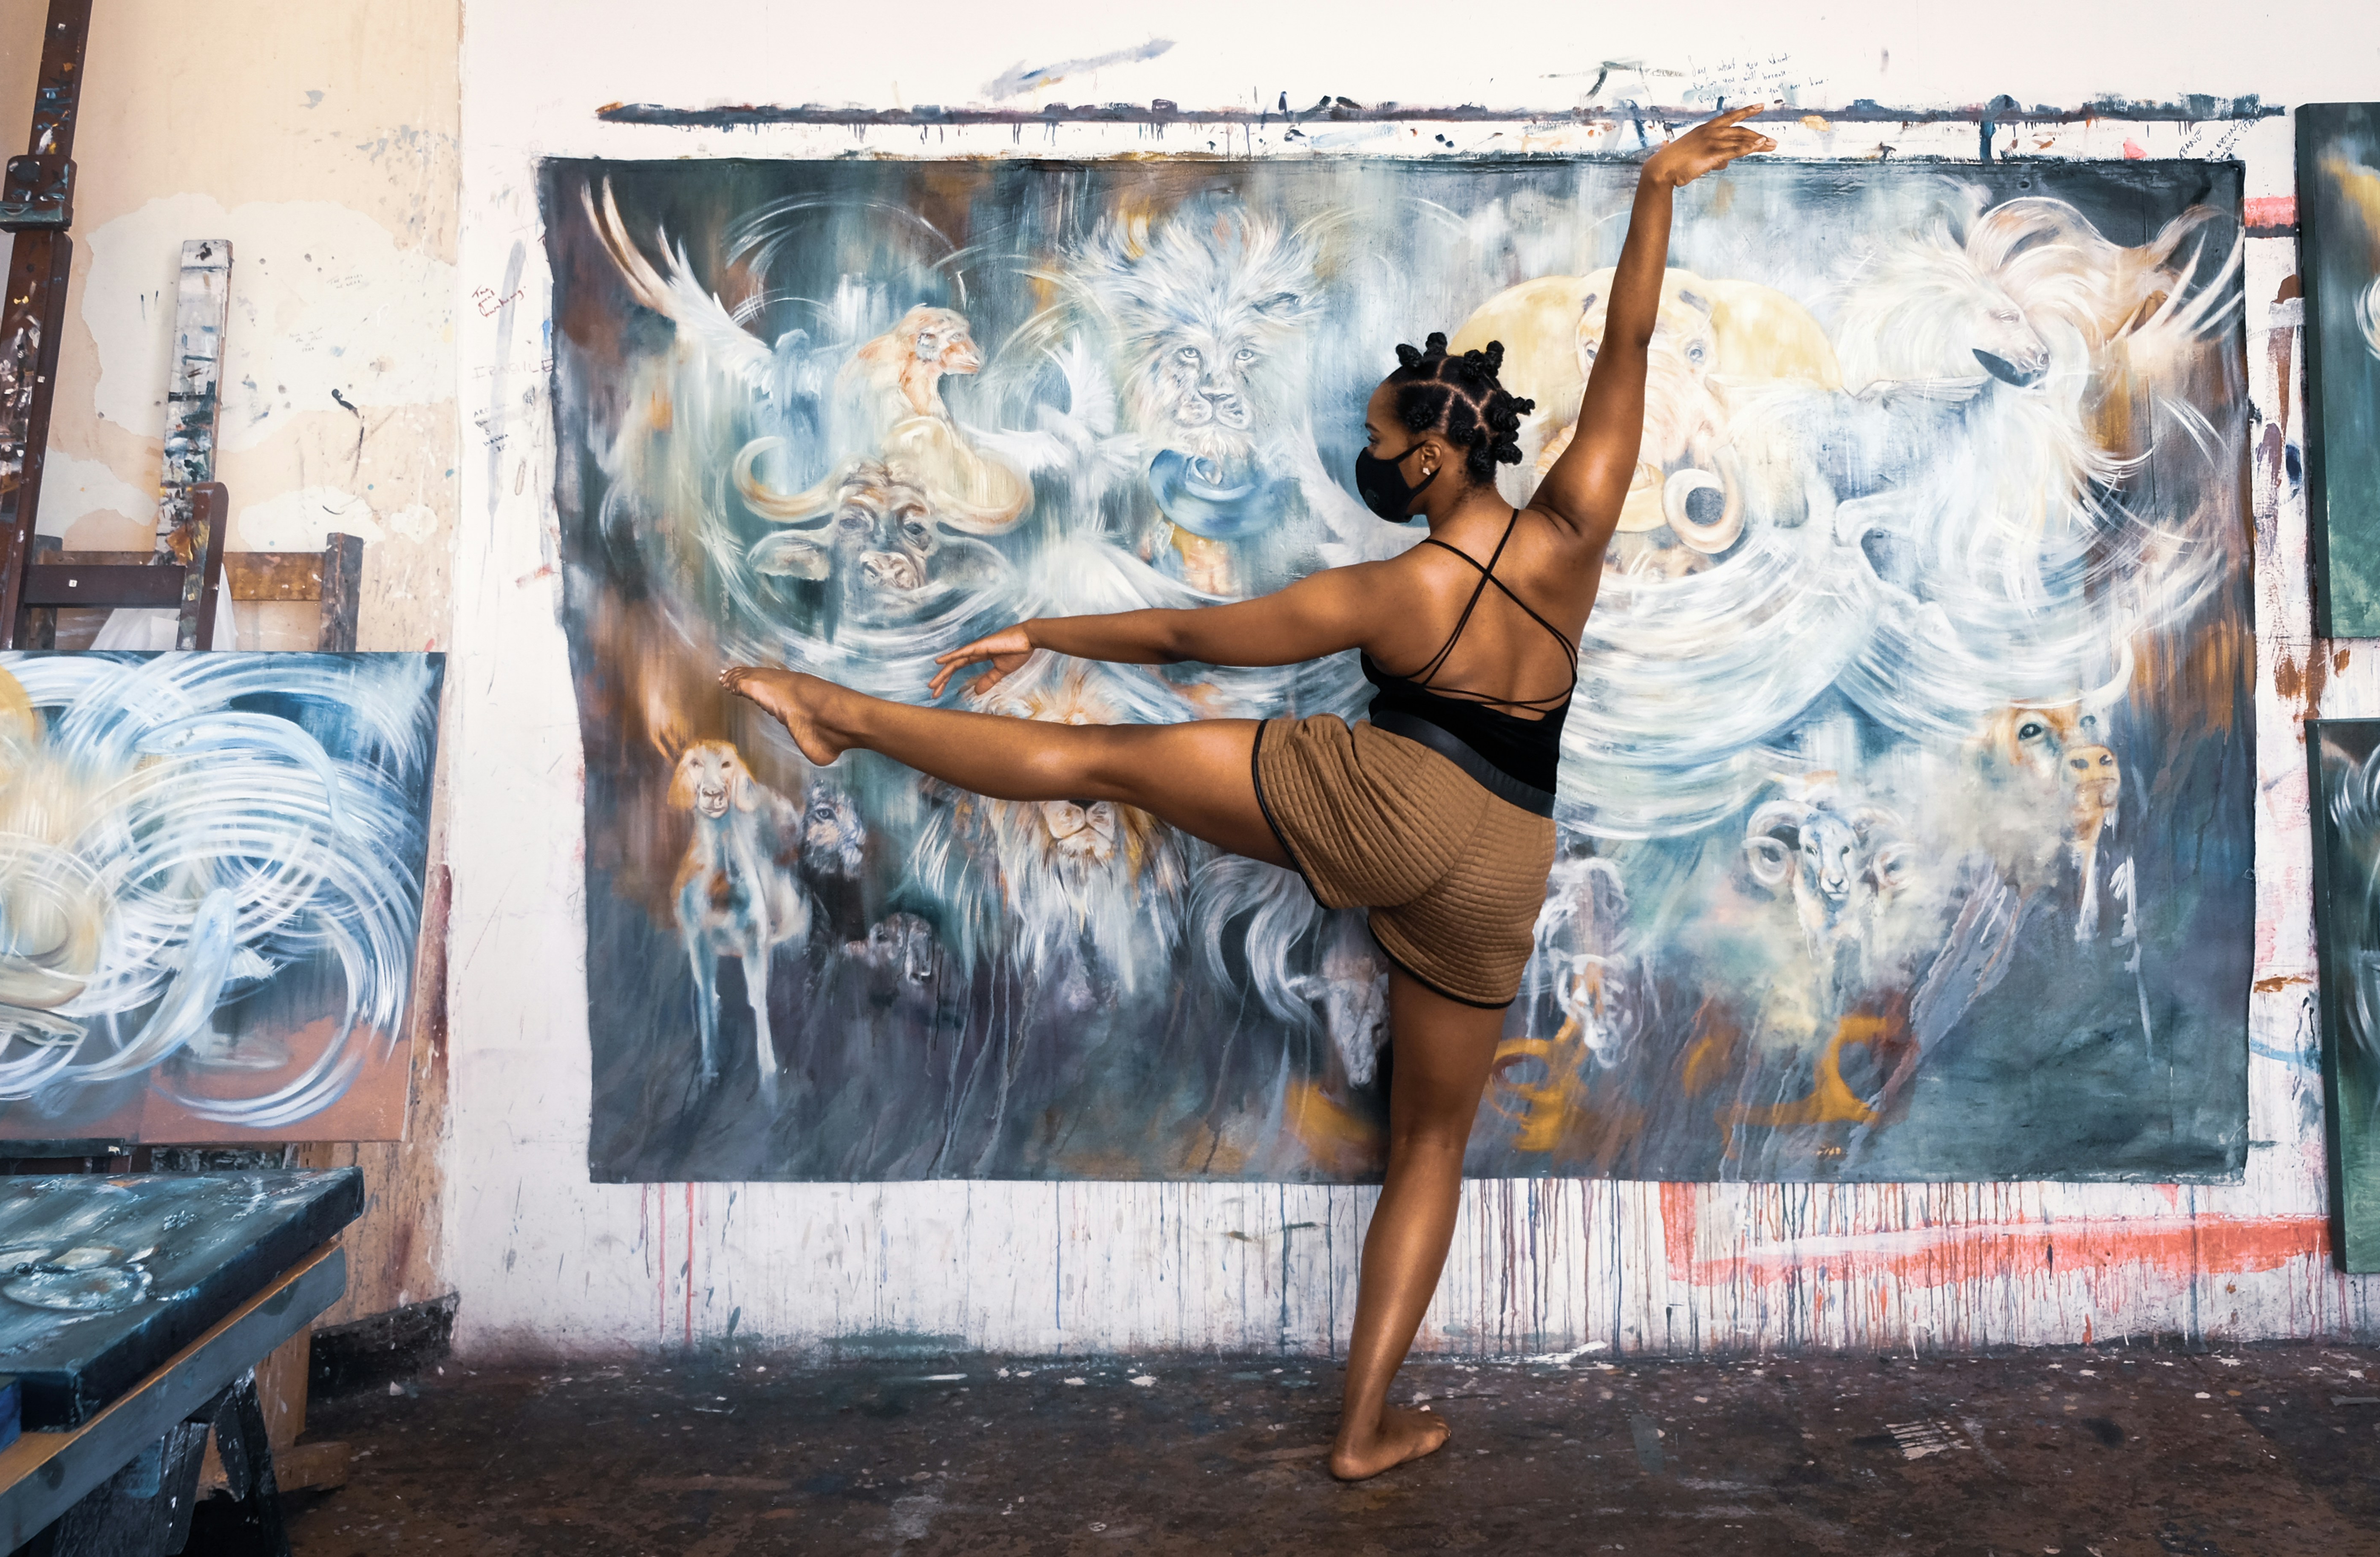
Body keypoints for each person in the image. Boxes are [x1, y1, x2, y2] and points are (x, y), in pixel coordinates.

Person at [722, 105, 1776, 1481]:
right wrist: (1653, 192)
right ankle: (1363, 1429)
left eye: (1385, 436)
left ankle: (837, 712)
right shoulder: (1574, 533)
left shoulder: (1390, 590)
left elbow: (1180, 642)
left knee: (1102, 760)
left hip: (1393, 802)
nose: (1375, 451)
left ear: (1430, 459)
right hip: (1504, 859)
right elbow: (1628, 348)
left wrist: (1043, 633)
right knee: (1434, 1143)